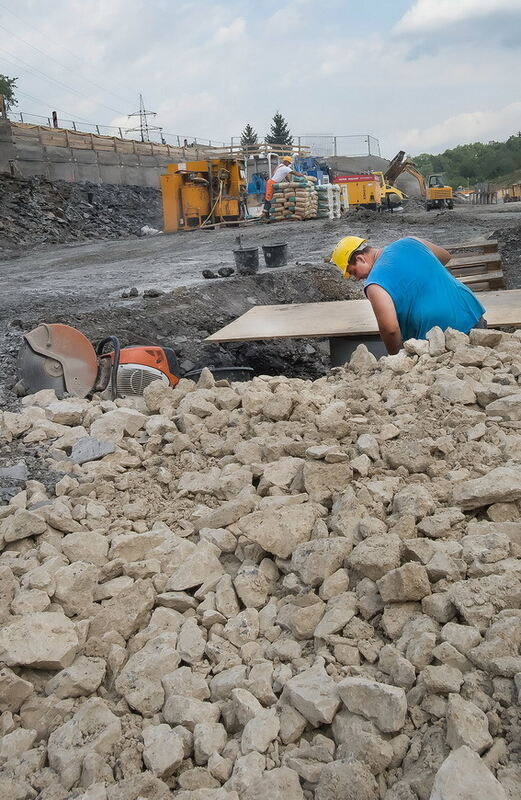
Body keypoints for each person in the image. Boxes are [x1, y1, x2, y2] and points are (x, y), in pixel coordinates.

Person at [330, 235, 486, 355]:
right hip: (473, 316)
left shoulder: (374, 284)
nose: (356, 278)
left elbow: (390, 329)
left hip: (438, 342)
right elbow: (445, 256)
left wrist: (396, 359)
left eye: (353, 272)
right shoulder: (411, 241)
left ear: (360, 258)